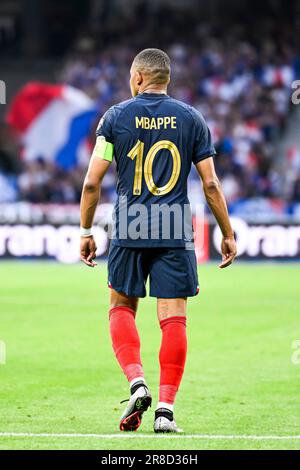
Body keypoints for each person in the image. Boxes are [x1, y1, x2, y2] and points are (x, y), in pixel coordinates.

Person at [80, 48, 237, 433]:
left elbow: (91, 182)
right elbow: (211, 183)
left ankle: (137, 382)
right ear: (167, 80)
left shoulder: (115, 117)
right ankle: (165, 411)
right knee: (174, 319)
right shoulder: (192, 119)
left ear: (137, 78)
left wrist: (85, 231)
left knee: (120, 307)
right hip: (174, 228)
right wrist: (228, 233)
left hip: (130, 224)